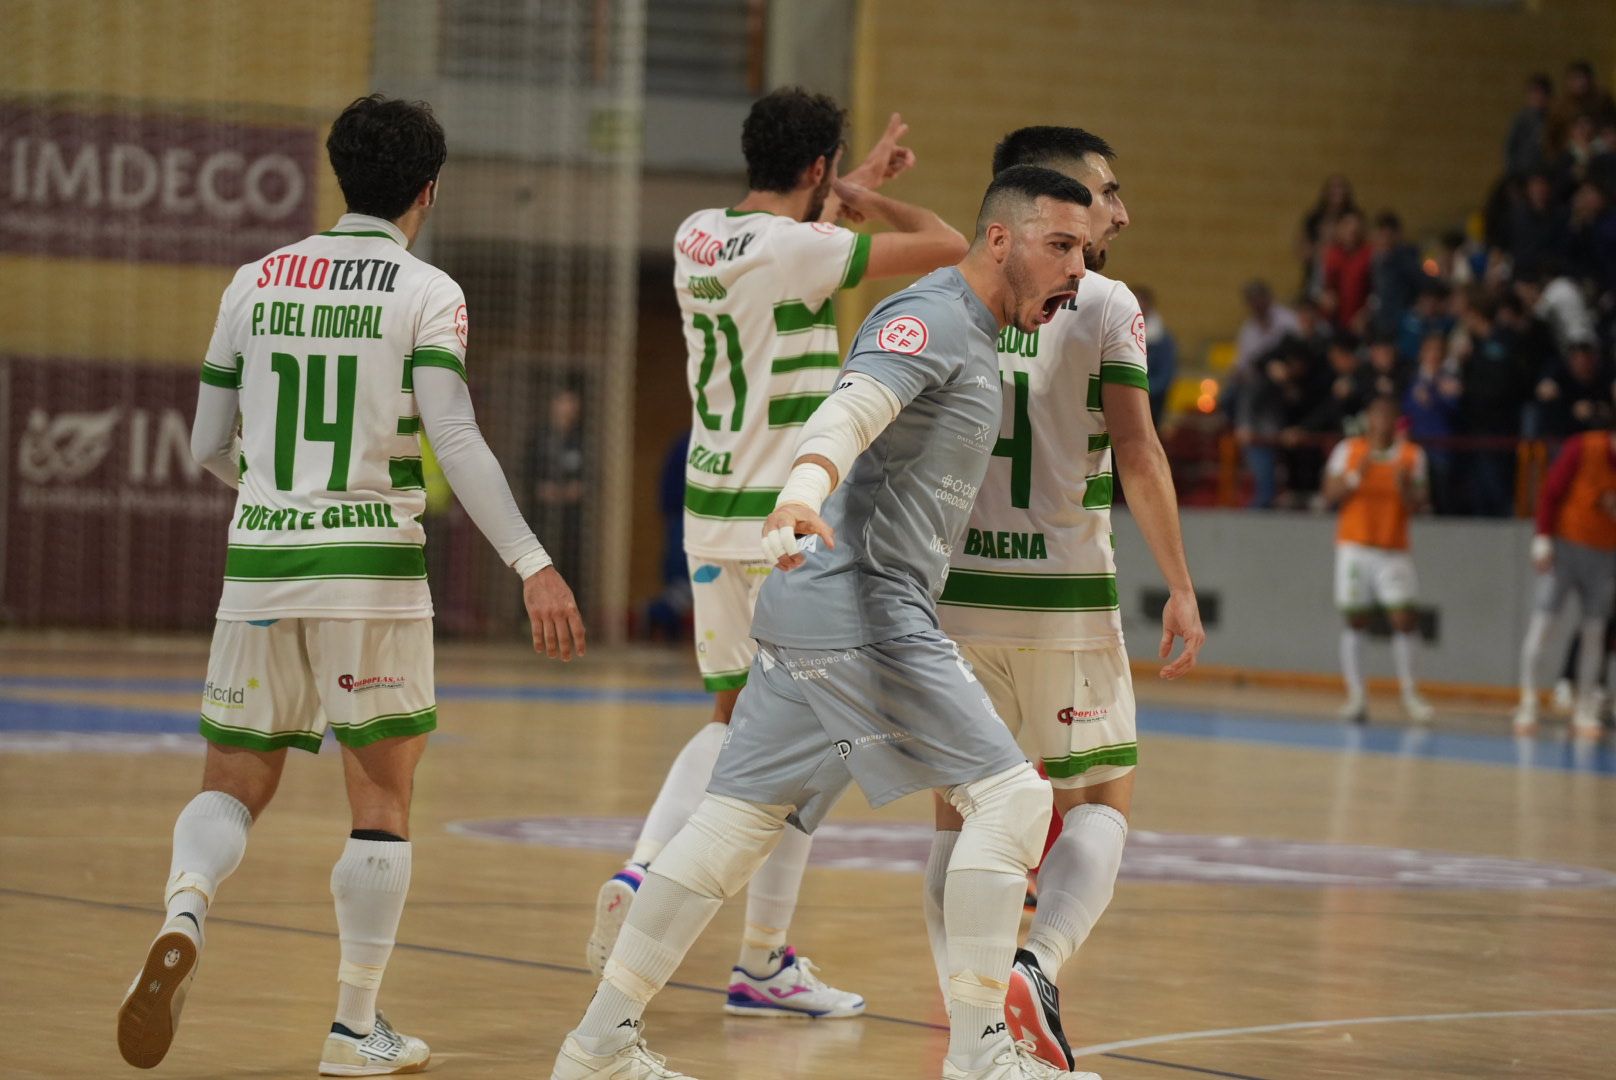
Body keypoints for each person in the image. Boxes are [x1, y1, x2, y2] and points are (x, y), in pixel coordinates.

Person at [550, 165, 1097, 1080]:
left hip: (814, 606)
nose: (1077, 268)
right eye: (1061, 245)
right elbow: (849, 411)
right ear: (1000, 239)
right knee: (1013, 798)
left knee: (733, 820)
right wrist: (802, 490)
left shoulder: (983, 334)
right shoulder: (929, 316)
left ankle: (598, 1044)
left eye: (1085, 251)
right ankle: (980, 1057)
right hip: (862, 603)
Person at [117, 95, 586, 1076]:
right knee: (379, 796)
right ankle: (351, 1026)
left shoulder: (252, 282)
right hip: (371, 572)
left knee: (234, 782)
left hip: (259, 564)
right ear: (427, 190)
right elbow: (453, 437)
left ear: (339, 176)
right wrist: (532, 562)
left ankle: (186, 912)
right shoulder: (426, 290)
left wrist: (278, 500)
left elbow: (209, 445)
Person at [584, 88, 969, 1017]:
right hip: (793, 518)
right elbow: (953, 245)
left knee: (732, 717)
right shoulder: (808, 248)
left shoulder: (694, 235)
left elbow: (792, 242)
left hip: (710, 508)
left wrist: (846, 186)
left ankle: (649, 871)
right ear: (815, 170)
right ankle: (755, 956)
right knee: (828, 737)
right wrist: (872, 200)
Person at [934, 126, 1206, 1071]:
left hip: (952, 600)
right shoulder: (1102, 300)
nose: (1115, 214)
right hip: (1060, 600)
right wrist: (1178, 583)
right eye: (1102, 193)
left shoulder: (954, 286)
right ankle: (1035, 968)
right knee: (1101, 802)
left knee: (960, 818)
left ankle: (970, 1044)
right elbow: (1137, 448)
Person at [1322, 395, 1433, 725]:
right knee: (1356, 620)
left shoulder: (1412, 455)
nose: (1382, 421)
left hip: (1393, 549)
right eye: (1377, 413)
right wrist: (1356, 476)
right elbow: (1329, 494)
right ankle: (1357, 697)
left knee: (1404, 619)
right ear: (1368, 418)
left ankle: (1410, 693)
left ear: (1396, 420)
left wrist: (1406, 490)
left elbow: (1421, 502)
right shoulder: (1349, 450)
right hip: (1355, 548)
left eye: (1388, 414)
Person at [1513, 427, 1616, 736]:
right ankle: (1528, 702)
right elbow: (1551, 491)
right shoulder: (1585, 447)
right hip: (1565, 548)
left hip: (1606, 556)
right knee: (1543, 625)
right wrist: (1542, 536)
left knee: (1595, 634)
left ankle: (1585, 709)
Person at [1135, 284, 1177, 426]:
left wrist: (1139, 391)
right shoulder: (1117, 332)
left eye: (1140, 302)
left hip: (1151, 402)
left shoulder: (1162, 340)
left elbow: (1165, 377)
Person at [1505, 74, 1553, 181]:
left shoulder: (1553, 119)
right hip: (1522, 173)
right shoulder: (1521, 119)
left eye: (1542, 93)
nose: (1538, 97)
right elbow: (1510, 147)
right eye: (1534, 92)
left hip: (1546, 173)